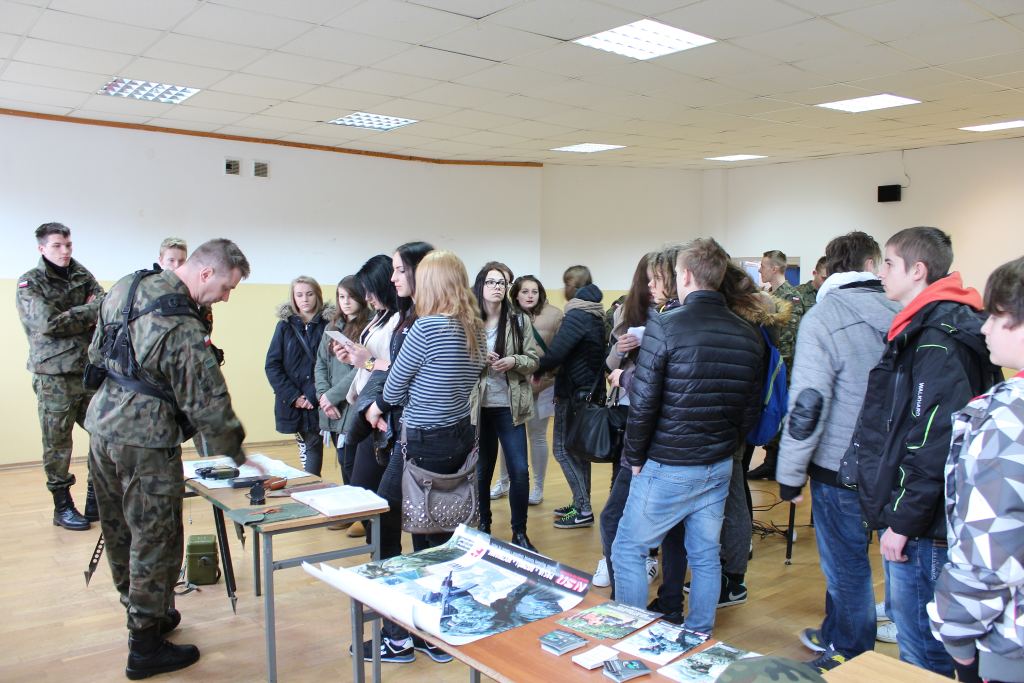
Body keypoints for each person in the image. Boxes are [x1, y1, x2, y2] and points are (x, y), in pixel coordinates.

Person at [85, 239, 254, 679]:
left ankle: (149, 613)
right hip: (145, 440)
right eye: (226, 287)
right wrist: (236, 454)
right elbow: (206, 401)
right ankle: (144, 646)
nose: (225, 297)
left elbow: (95, 354)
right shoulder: (181, 323)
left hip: (102, 427)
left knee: (119, 530)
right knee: (155, 538)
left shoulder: (127, 285)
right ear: (205, 273)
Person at [843, 227, 1000, 677]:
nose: (880, 273)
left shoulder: (936, 338)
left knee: (921, 652)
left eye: (889, 264)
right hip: (922, 517)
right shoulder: (929, 326)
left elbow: (934, 442)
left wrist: (903, 521)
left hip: (923, 526)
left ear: (918, 270)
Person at [611, 238, 763, 636]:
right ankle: (698, 634)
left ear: (688, 276)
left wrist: (634, 457)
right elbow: (750, 409)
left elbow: (644, 401)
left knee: (628, 549)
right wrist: (724, 445)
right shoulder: (747, 332)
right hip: (718, 463)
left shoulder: (665, 325)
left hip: (669, 462)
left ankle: (627, 639)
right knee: (706, 555)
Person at [775, 231, 899, 673]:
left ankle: (849, 650)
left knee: (846, 564)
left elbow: (808, 405)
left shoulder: (823, 316)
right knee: (870, 560)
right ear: (871, 265)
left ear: (828, 268)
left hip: (838, 466)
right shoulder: (905, 310)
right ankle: (835, 632)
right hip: (895, 463)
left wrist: (790, 473)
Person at [359, 250, 487, 664]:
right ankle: (433, 632)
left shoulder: (426, 328)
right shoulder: (475, 328)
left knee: (385, 521)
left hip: (420, 441)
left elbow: (393, 388)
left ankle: (397, 635)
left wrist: (378, 406)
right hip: (458, 438)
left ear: (429, 283)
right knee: (433, 532)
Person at [928, 256, 1024, 683]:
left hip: (1010, 646)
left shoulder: (1009, 420)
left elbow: (988, 551)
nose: (984, 328)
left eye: (997, 316)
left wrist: (957, 635)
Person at [16, 222, 104, 531]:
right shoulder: (30, 282)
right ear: (42, 248)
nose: (65, 251)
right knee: (57, 444)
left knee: (104, 433)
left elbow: (105, 306)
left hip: (88, 370)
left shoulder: (82, 275)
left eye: (68, 244)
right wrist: (86, 314)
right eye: (57, 246)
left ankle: (96, 498)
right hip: (53, 375)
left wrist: (72, 316)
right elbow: (48, 324)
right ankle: (62, 506)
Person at [472, 262, 540, 551]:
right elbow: (457, 361)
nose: (497, 287)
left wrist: (513, 361)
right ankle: (483, 526)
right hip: (478, 407)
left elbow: (533, 359)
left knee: (520, 470)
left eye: (501, 283)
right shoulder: (469, 320)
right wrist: (479, 358)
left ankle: (519, 532)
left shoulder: (518, 320)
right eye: (491, 282)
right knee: (482, 471)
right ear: (481, 286)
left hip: (509, 406)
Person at [537, 264, 606, 529]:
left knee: (563, 449)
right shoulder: (594, 312)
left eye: (565, 283)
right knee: (578, 451)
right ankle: (580, 503)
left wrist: (536, 369)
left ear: (572, 286)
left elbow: (556, 352)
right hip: (589, 391)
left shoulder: (577, 314)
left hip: (575, 393)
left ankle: (584, 509)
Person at [491, 275, 562, 506]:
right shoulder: (506, 315)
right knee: (507, 437)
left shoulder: (555, 315)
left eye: (535, 291)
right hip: (513, 384)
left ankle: (538, 487)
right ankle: (503, 482)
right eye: (525, 291)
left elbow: (561, 351)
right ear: (516, 294)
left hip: (543, 385)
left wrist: (547, 377)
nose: (530, 296)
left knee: (537, 436)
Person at [748, 249, 805, 481]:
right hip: (770, 364)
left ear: (774, 268)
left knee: (779, 412)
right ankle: (770, 461)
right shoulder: (768, 294)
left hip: (784, 367)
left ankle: (776, 464)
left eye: (762, 265)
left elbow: (788, 338)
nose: (760, 269)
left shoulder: (790, 297)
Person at [265, 276, 331, 475]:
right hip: (294, 403)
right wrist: (294, 397)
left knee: (315, 447)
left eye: (309, 294)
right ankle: (310, 485)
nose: (305, 299)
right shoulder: (284, 326)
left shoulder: (330, 325)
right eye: (299, 295)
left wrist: (312, 395)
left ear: (317, 295)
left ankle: (311, 486)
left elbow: (331, 364)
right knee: (307, 447)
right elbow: (272, 365)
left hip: (321, 400)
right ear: (293, 297)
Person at [314, 275, 366, 484]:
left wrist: (332, 396)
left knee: (353, 466)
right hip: (332, 408)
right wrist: (323, 397)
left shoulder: (370, 326)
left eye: (351, 296)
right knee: (344, 464)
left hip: (353, 406)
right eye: (341, 297)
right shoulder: (332, 327)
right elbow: (320, 364)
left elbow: (363, 369)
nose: (345, 302)